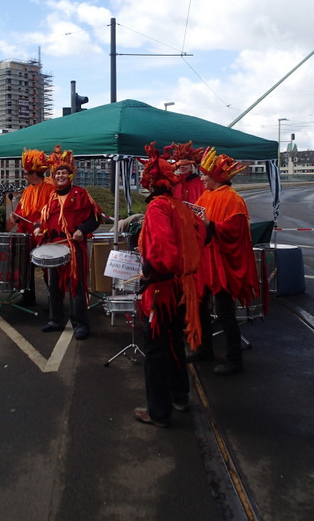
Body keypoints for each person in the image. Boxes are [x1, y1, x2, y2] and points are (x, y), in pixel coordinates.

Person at [133, 143, 205, 428]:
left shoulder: (158, 208)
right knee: (175, 344)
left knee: (156, 352)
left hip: (161, 291)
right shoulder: (180, 206)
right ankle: (180, 396)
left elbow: (164, 251)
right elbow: (202, 235)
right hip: (179, 288)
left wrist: (148, 271)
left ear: (151, 182)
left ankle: (158, 412)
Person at [187, 147, 260, 376]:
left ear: (216, 177)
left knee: (224, 311)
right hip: (206, 261)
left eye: (205, 175)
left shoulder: (233, 200)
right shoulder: (206, 195)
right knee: (200, 307)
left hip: (222, 264)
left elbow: (237, 232)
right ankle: (204, 349)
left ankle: (234, 359)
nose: (202, 178)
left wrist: (212, 226)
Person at [34, 145, 102, 340]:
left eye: (64, 173)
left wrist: (82, 230)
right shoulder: (52, 197)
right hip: (54, 247)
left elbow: (95, 219)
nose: (61, 176)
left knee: (77, 286)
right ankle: (55, 320)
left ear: (70, 176)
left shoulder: (81, 194)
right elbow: (44, 218)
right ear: (54, 177)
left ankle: (81, 324)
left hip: (73, 247)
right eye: (58, 173)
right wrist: (39, 226)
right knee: (54, 285)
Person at [6, 149, 55, 306]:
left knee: (48, 269)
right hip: (27, 235)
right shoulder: (27, 190)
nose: (24, 176)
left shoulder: (50, 188)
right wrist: (15, 217)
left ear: (34, 173)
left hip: (44, 234)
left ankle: (53, 300)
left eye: (26, 173)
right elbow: (21, 211)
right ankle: (28, 297)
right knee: (25, 267)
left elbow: (53, 211)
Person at [170, 141, 206, 205]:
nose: (182, 166)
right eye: (180, 164)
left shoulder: (200, 182)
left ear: (192, 165)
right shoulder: (174, 181)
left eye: (185, 164)